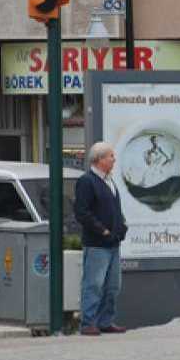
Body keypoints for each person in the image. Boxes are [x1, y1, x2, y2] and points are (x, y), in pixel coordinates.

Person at [73, 142, 128, 336]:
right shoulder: (87, 182)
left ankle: (106, 321)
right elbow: (82, 212)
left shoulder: (109, 181)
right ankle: (88, 322)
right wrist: (102, 231)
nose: (114, 159)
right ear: (99, 159)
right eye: (111, 156)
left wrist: (122, 227)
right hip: (97, 244)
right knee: (93, 284)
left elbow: (114, 209)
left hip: (113, 243)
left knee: (113, 285)